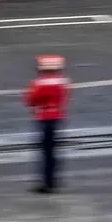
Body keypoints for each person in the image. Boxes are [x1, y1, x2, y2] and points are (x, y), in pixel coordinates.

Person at [24, 54, 69, 194]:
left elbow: (30, 100)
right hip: (57, 116)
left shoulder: (39, 83)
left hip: (43, 117)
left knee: (45, 152)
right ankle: (53, 181)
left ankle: (46, 183)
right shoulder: (62, 82)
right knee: (53, 151)